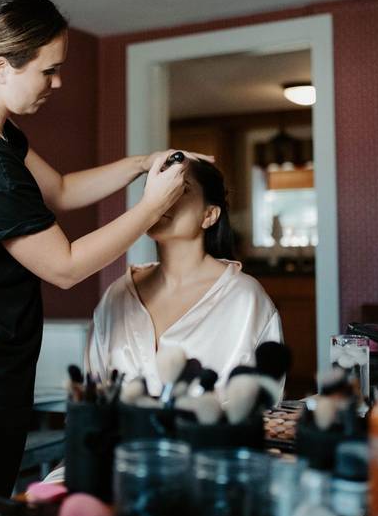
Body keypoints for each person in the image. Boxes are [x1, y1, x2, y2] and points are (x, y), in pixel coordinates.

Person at [0, 0, 207, 506]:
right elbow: (64, 266)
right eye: (48, 70)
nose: (57, 83)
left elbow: (58, 189)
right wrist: (151, 205)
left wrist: (141, 164)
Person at [85, 158, 283, 396]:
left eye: (180, 188)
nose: (162, 199)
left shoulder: (246, 299)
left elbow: (266, 403)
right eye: (156, 187)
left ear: (209, 215)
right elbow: (91, 399)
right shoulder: (117, 295)